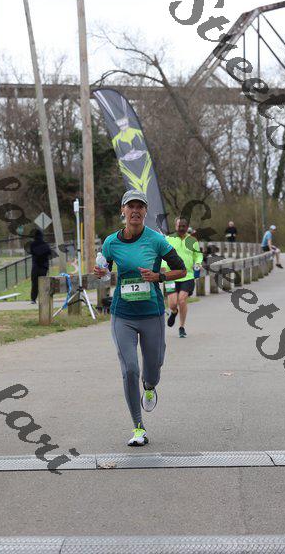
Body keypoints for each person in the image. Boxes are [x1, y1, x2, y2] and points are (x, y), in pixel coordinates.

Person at [94, 189, 186, 447]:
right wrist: (101, 273)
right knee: (129, 369)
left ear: (145, 211)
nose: (135, 211)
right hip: (122, 315)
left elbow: (181, 269)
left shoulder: (156, 240)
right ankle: (138, 427)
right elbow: (104, 273)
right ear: (123, 211)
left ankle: (150, 386)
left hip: (152, 314)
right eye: (130, 206)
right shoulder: (111, 242)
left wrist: (159, 277)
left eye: (140, 207)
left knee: (152, 369)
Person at [163, 217, 204, 338]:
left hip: (187, 275)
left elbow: (198, 255)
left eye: (183, 226)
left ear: (187, 227)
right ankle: (174, 311)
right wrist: (163, 266)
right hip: (171, 275)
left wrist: (198, 263)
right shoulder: (168, 239)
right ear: (175, 226)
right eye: (179, 226)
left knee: (182, 300)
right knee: (172, 304)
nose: (181, 228)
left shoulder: (192, 240)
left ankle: (181, 327)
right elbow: (163, 255)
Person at [29, 229, 52, 303]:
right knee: (43, 283)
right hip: (43, 267)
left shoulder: (32, 244)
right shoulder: (45, 244)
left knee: (34, 283)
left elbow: (31, 252)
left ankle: (33, 299)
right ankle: (43, 298)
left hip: (35, 266)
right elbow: (49, 252)